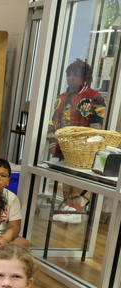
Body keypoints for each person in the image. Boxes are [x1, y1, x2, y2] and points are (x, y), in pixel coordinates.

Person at [48, 59, 106, 223]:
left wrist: (92, 142)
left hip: (83, 146)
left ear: (85, 77)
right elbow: (55, 119)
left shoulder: (94, 96)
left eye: (75, 75)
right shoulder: (62, 96)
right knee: (65, 174)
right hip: (63, 142)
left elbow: (97, 122)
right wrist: (52, 137)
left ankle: (75, 208)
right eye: (69, 74)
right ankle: (67, 205)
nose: (71, 78)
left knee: (76, 175)